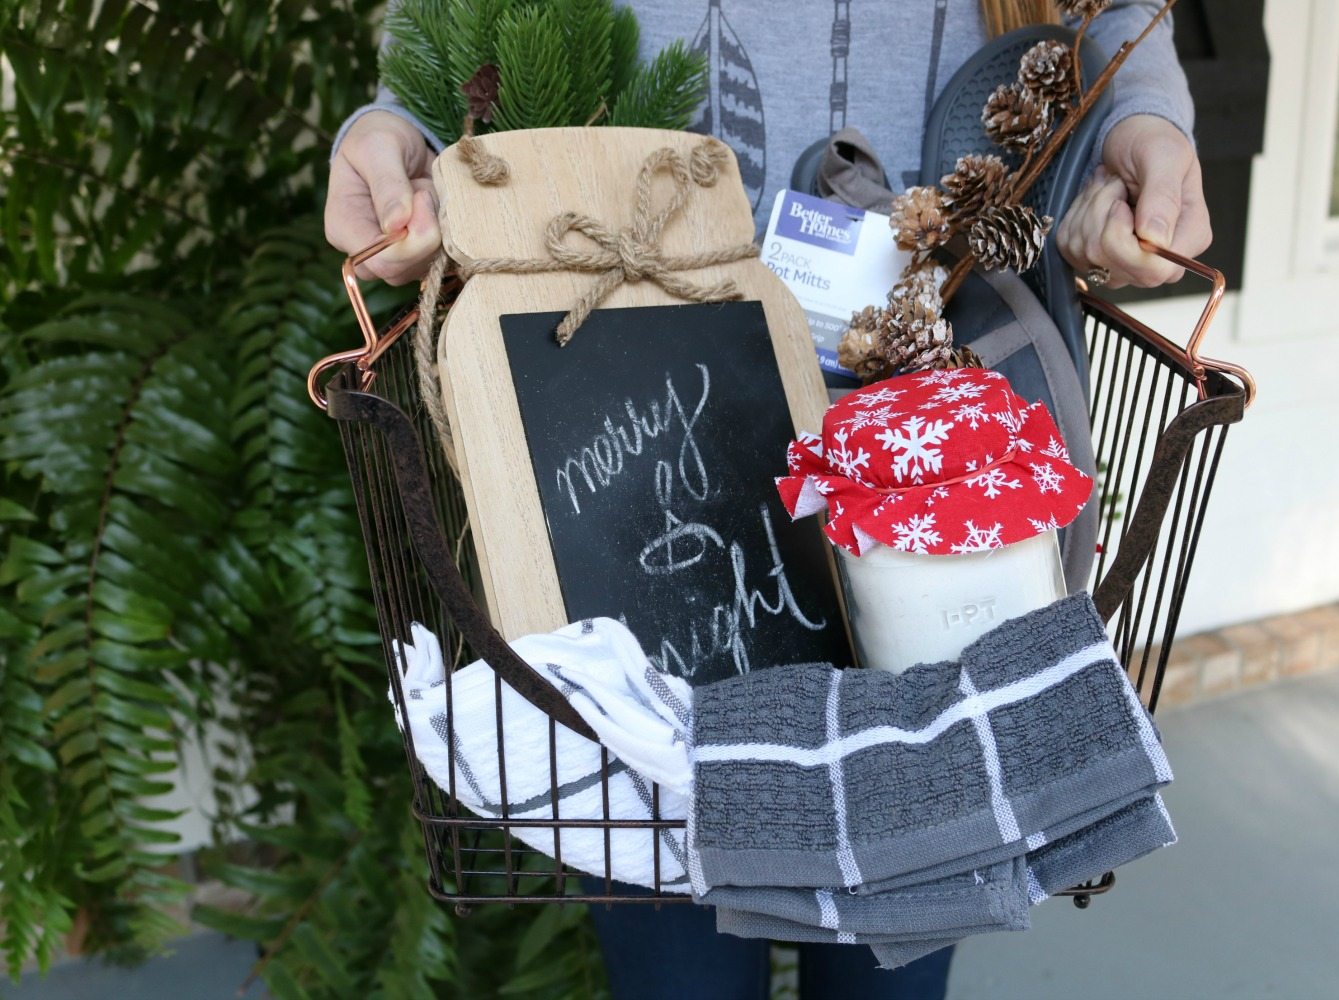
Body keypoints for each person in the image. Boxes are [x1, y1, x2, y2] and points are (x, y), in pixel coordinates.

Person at [323, 3, 1206, 996]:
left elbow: (1113, 23)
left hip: (926, 502)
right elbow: (467, 37)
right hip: (628, 456)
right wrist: (398, 130)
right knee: (673, 967)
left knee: (894, 961)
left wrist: (1140, 126)